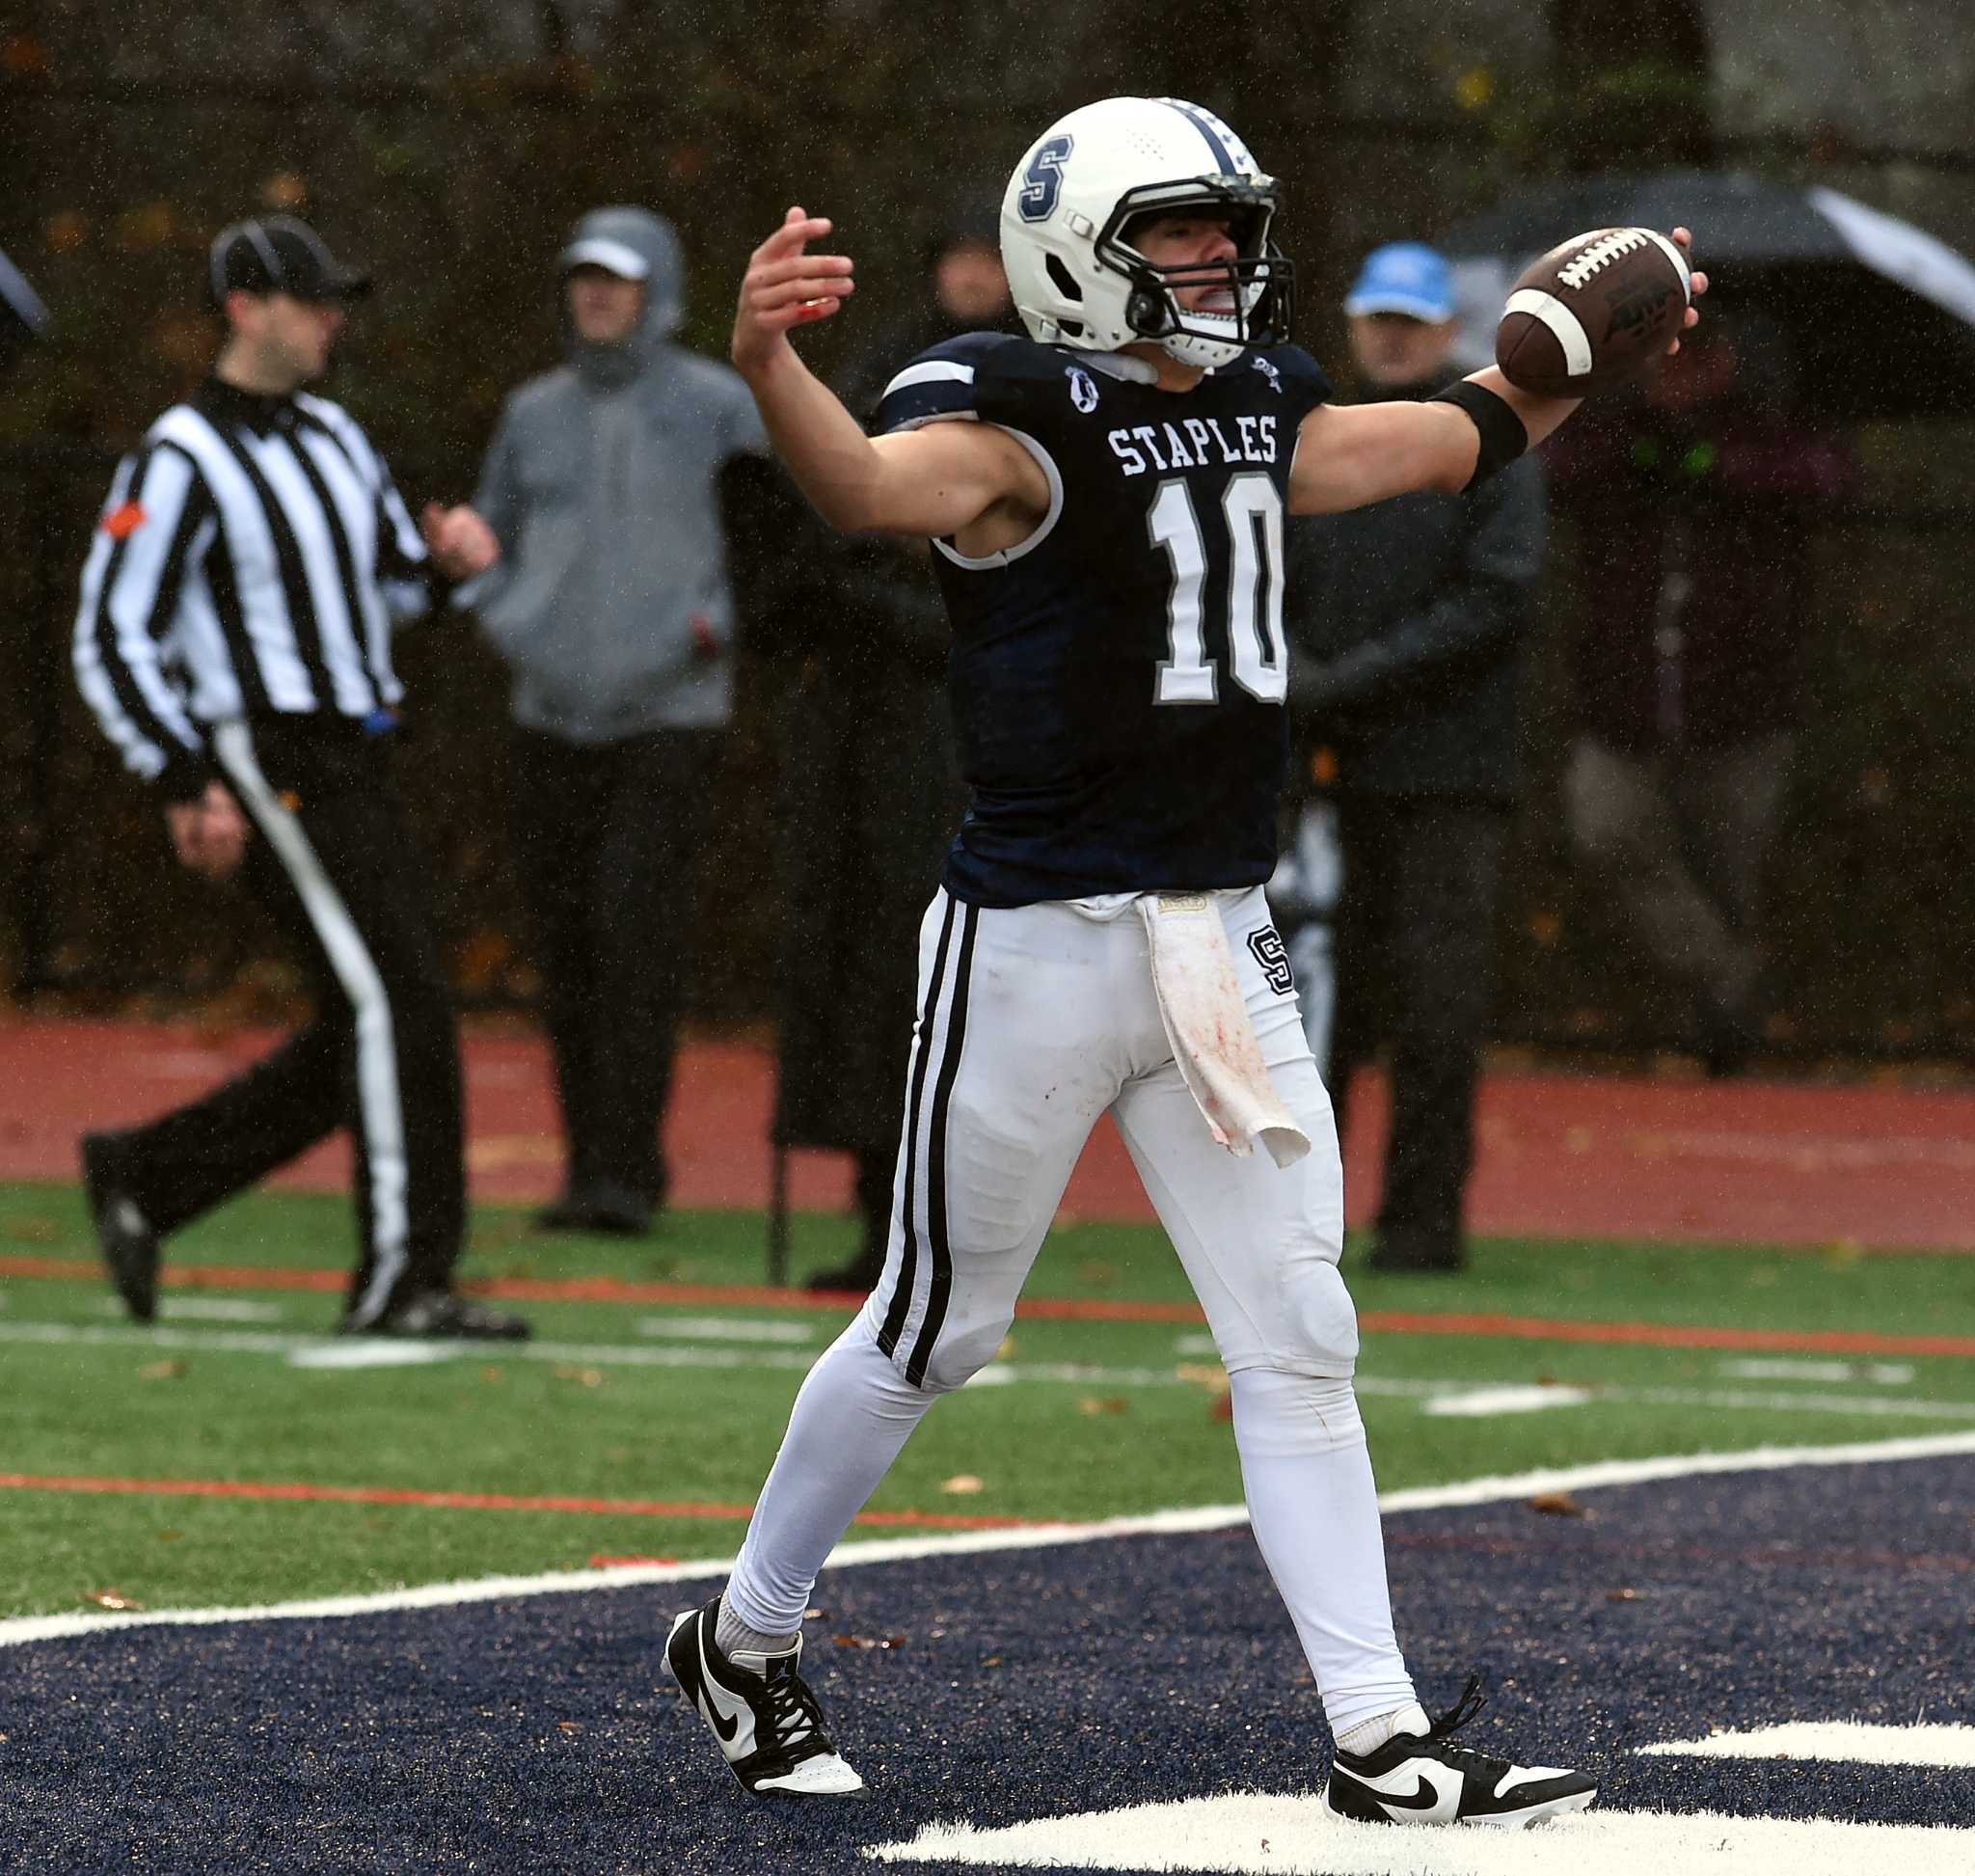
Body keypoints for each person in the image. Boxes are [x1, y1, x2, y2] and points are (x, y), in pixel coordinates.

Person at [662, 95, 1703, 1824]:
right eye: (1180, 230)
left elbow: (1456, 435)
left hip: (1213, 935)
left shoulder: (1259, 399)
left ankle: (1378, 1738)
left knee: (1299, 1329)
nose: (1219, 255)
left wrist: (1599, 328)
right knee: (939, 1325)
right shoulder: (1007, 410)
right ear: (1079, 250)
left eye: (1230, 223)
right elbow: (856, 489)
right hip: (1031, 946)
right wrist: (769, 364)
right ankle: (746, 1636)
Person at [70, 214, 527, 1340]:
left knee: (380, 1011)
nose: (332, 319)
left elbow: (391, 589)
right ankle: (402, 1279)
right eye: (311, 299)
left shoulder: (333, 435)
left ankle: (146, 1176)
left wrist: (453, 566)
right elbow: (110, 631)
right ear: (245, 308)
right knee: (395, 1000)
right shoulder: (176, 455)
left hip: (353, 745)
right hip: (259, 751)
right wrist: (180, 774)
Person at [447, 207, 768, 1236]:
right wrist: (497, 610)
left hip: (669, 713)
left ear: (657, 289)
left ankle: (630, 1170)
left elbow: (767, 540)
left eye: (617, 279)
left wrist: (711, 629)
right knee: (569, 944)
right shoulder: (531, 412)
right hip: (548, 715)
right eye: (583, 276)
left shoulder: (719, 405)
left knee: (637, 937)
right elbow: (487, 538)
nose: (596, 295)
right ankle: (585, 1167)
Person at [1274, 244, 1546, 1273]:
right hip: (1322, 777)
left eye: (1411, 318)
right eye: (1375, 315)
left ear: (1445, 333)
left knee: (1434, 1009)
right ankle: (1301, 1225)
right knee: (1312, 1013)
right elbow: (1268, 572)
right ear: (1351, 324)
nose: (1390, 334)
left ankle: (1422, 1223)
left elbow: (1493, 600)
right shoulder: (1315, 444)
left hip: (1446, 777)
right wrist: (1297, 676)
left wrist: (1335, 682)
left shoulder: (1495, 446)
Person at [766, 203, 1011, 1297]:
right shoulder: (881, 371)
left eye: (987, 257)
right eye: (956, 253)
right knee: (876, 970)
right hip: (872, 735)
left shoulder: (1049, 379)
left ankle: (972, 1227)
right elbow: (823, 535)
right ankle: (884, 1217)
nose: (971, 275)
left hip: (987, 731)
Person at [1544, 307, 1853, 1072]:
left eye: (1700, 354)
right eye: (1668, 355)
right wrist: (1639, 449)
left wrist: (1717, 464)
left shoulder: (1770, 434)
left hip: (1740, 708)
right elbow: (1551, 469)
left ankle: (1721, 1044)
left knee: (1729, 872)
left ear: (1730, 360)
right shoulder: (1610, 435)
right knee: (1608, 830)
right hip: (1622, 704)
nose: (1682, 370)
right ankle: (1727, 976)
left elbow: (1828, 477)